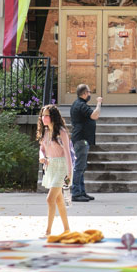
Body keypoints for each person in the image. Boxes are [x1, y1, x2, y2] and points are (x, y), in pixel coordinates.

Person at [38, 104, 72, 238]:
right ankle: (67, 229)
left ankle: (48, 232)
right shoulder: (46, 132)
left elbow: (68, 153)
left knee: (50, 199)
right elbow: (42, 148)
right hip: (51, 167)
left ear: (53, 117)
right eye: (43, 115)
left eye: (46, 115)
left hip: (62, 167)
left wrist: (69, 173)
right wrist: (42, 157)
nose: (44, 118)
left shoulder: (61, 132)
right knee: (59, 201)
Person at [70, 84, 101, 202]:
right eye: (89, 92)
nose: (90, 94)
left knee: (81, 167)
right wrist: (99, 103)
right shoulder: (80, 105)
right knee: (79, 167)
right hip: (81, 139)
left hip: (82, 139)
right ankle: (76, 193)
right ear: (84, 93)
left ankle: (81, 191)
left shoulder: (78, 104)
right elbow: (95, 115)